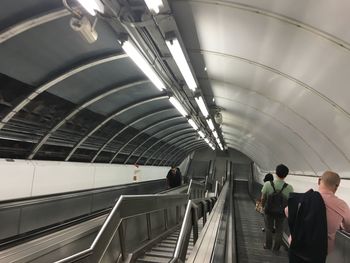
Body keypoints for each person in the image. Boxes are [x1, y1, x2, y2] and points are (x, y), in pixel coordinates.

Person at [286, 171, 350, 262]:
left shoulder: (304, 198)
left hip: (297, 246)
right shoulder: (342, 205)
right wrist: (339, 226)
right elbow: (348, 227)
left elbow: (287, 211)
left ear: (319, 180)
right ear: (336, 187)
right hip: (319, 251)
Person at [260, 164, 294, 251]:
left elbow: (263, 198)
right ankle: (276, 248)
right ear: (286, 175)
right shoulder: (289, 188)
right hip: (281, 213)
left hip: (269, 211)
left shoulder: (268, 184)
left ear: (275, 173)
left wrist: (262, 206)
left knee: (268, 228)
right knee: (279, 230)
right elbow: (290, 202)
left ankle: (268, 246)